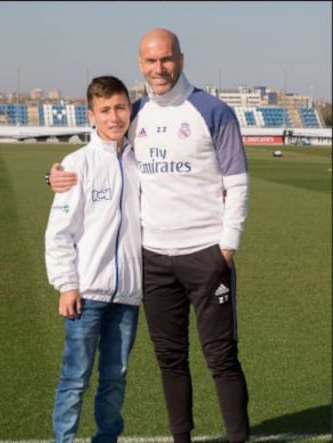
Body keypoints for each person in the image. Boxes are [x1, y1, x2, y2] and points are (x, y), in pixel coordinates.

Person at [47, 29, 250, 443]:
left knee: (221, 357)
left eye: (167, 59)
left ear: (181, 58)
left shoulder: (214, 111)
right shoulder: (135, 113)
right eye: (151, 61)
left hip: (206, 255)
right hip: (154, 262)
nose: (160, 68)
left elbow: (238, 183)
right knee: (169, 360)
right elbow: (97, 153)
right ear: (140, 65)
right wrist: (54, 174)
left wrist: (227, 246)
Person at [44, 75, 142, 443]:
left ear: (130, 109)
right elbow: (59, 232)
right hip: (87, 294)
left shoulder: (139, 161)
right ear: (91, 115)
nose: (114, 117)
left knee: (115, 378)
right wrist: (67, 284)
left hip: (128, 296)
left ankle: (107, 439)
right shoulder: (77, 163)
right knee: (75, 378)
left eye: (120, 107)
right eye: (105, 110)